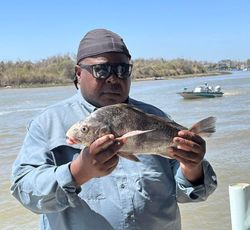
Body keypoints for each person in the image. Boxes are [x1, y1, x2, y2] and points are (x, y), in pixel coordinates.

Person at [11, 28, 217, 230]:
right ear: (78, 73)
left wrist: (192, 168)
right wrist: (78, 172)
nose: (113, 78)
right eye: (101, 70)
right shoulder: (47, 123)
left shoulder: (156, 117)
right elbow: (23, 190)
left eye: (122, 70)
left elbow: (193, 193)